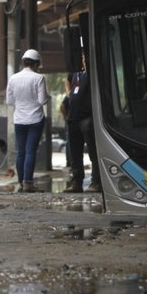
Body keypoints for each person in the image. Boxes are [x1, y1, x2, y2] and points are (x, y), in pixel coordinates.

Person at [6, 48, 49, 192]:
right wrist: (47, 97)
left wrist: (22, 104)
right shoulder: (39, 78)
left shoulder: (13, 78)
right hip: (35, 120)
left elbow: (9, 100)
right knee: (30, 152)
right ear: (36, 64)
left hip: (19, 120)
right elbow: (43, 101)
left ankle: (20, 183)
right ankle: (28, 183)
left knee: (21, 152)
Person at [63, 51, 101, 193]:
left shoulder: (94, 75)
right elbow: (67, 81)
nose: (85, 60)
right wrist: (69, 92)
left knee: (92, 151)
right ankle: (76, 181)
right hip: (73, 119)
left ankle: (96, 181)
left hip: (87, 118)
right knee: (74, 154)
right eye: (83, 57)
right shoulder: (76, 74)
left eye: (87, 57)